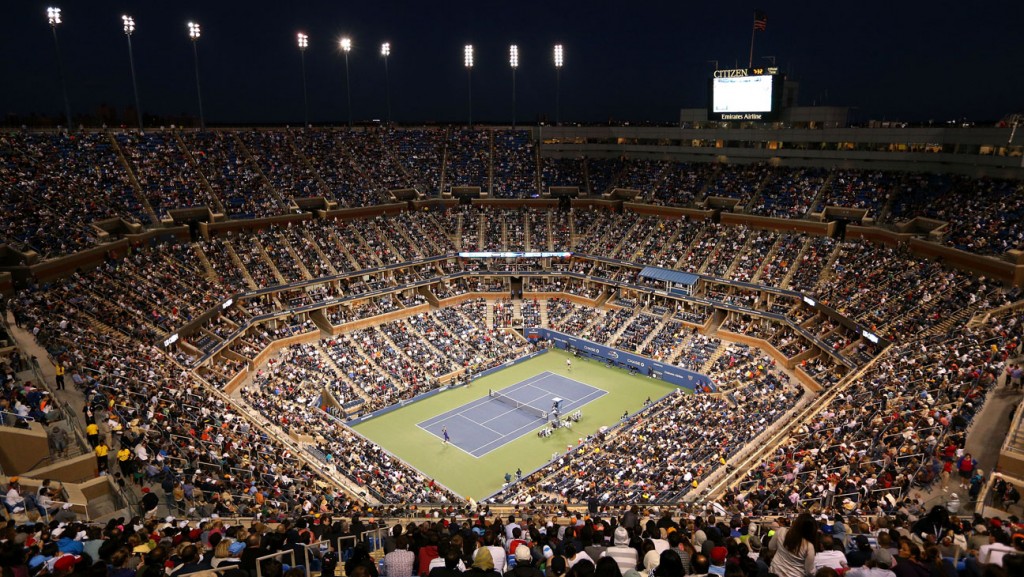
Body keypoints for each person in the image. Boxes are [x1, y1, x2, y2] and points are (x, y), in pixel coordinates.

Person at [768, 513, 817, 577]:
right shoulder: (809, 546)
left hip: (775, 572)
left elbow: (771, 547)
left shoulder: (781, 531)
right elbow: (810, 572)